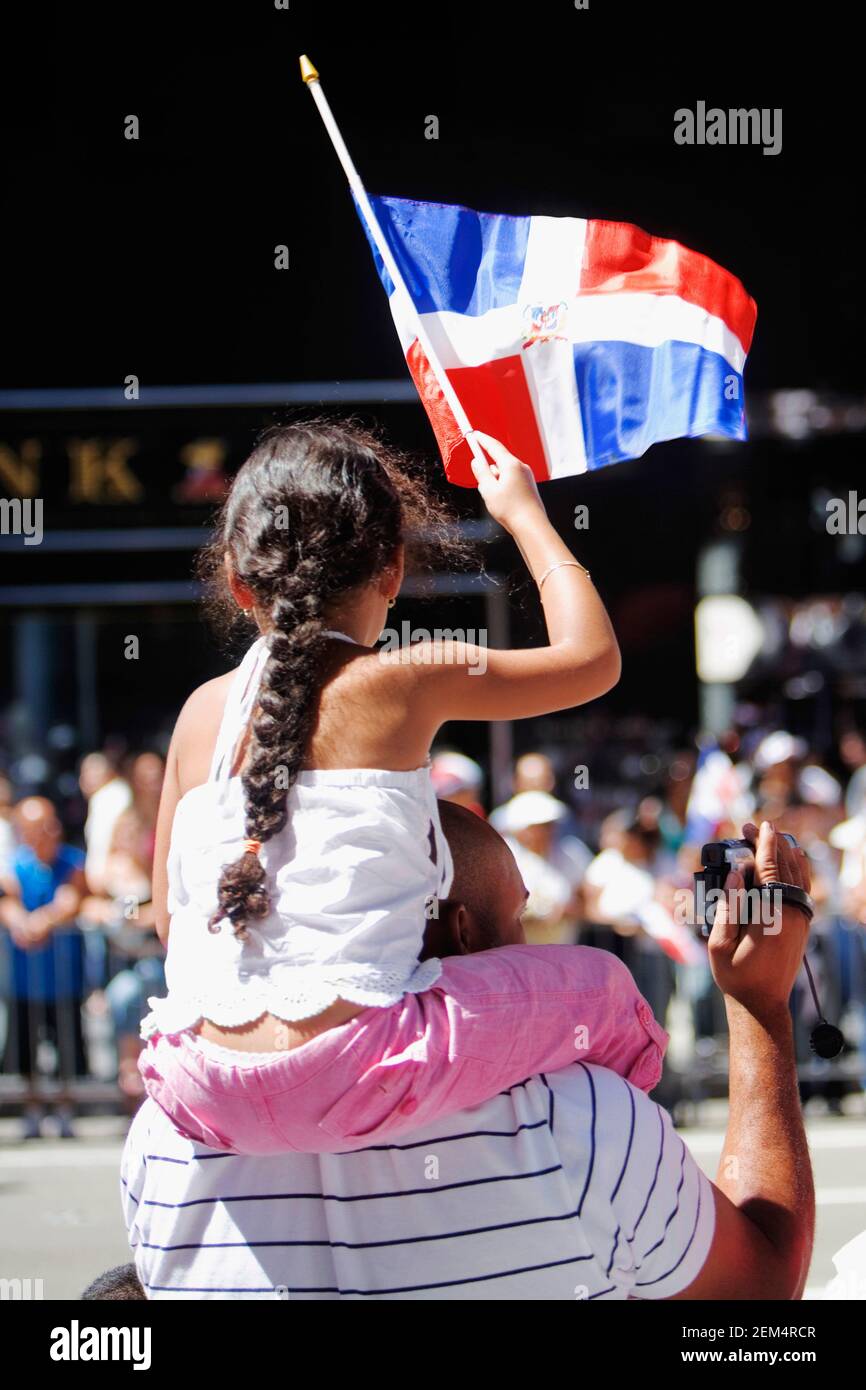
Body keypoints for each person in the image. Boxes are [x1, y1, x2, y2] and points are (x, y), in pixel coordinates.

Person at [138, 420, 669, 1157]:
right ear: (391, 570)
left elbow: (170, 921)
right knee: (604, 987)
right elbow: (593, 659)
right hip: (359, 1069)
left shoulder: (199, 712)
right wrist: (523, 515)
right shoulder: (406, 677)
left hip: (194, 1079)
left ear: (236, 581)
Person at [121, 811, 814, 1301]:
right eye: (516, 917)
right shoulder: (577, 1121)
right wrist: (760, 1009)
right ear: (466, 933)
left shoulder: (166, 1134)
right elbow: (756, 1299)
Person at [0, 797, 87, 1138]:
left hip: (63, 978)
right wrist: (21, 920)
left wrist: (43, 921)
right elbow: (8, 901)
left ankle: (65, 1108)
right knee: (25, 1051)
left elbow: (72, 899)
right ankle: (32, 1109)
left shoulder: (71, 861)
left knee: (67, 1047)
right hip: (24, 980)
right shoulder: (14, 865)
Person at [79, 752, 132, 895]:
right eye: (86, 772)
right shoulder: (121, 793)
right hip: (124, 880)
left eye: (95, 771)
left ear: (111, 773)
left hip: (123, 880)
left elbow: (101, 844)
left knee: (131, 915)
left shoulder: (108, 796)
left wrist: (98, 881)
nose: (90, 778)